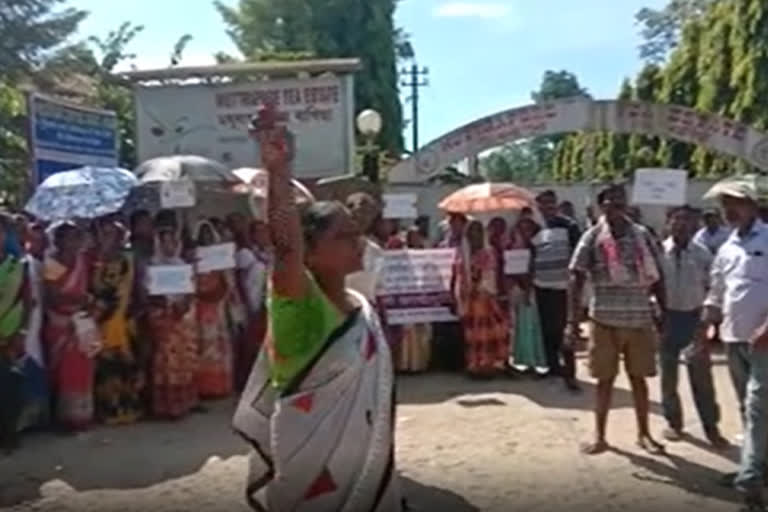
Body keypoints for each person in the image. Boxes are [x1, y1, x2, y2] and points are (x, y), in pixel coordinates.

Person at [233, 105, 400, 511]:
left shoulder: (359, 307)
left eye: (356, 233)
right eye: (343, 235)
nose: (356, 241)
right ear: (311, 253)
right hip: (309, 475)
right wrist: (277, 170)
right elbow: (286, 244)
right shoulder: (298, 305)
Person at [567, 184, 666, 455]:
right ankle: (600, 436)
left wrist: (663, 313)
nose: (616, 207)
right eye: (610, 202)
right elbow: (576, 276)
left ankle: (644, 434)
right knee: (604, 381)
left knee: (639, 379)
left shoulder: (642, 235)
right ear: (602, 206)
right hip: (603, 321)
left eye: (620, 202)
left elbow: (658, 275)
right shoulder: (592, 236)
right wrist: (571, 321)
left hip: (639, 319)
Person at [698, 179, 768, 511]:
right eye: (724, 204)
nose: (728, 210)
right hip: (732, 337)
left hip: (765, 341)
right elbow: (716, 292)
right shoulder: (726, 248)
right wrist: (704, 329)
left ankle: (750, 483)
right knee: (747, 408)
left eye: (735, 202)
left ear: (753, 205)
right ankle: (756, 466)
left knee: (757, 407)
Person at [657, 206, 727, 447]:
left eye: (688, 221)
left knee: (702, 378)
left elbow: (714, 286)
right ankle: (673, 423)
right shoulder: (658, 252)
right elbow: (651, 284)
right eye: (677, 219)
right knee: (668, 376)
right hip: (667, 318)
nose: (682, 225)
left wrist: (708, 321)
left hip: (694, 319)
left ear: (695, 225)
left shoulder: (703, 254)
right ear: (669, 223)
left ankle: (711, 427)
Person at [43, 222, 96, 431]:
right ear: (58, 241)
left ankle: (82, 416)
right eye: (69, 237)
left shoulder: (83, 260)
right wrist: (78, 298)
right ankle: (64, 419)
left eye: (76, 237)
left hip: (82, 322)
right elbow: (52, 296)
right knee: (62, 371)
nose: (73, 242)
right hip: (60, 323)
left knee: (83, 368)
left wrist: (88, 300)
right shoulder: (53, 263)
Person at [90, 218, 143, 424]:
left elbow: (134, 286)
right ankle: (109, 410)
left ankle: (129, 407)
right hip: (102, 320)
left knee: (127, 364)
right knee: (106, 367)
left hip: (124, 319)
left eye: (113, 234)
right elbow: (92, 289)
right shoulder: (92, 260)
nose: (109, 238)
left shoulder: (126, 260)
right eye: (105, 234)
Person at [145, 227, 199, 420]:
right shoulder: (152, 265)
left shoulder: (182, 264)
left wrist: (183, 304)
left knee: (185, 361)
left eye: (173, 241)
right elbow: (148, 294)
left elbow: (190, 290)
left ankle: (185, 403)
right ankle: (166, 406)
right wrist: (165, 305)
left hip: (182, 317)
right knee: (166, 361)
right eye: (166, 241)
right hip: (162, 318)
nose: (170, 246)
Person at [532, 190, 581, 391]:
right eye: (543, 204)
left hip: (563, 287)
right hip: (541, 286)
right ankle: (553, 367)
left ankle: (570, 374)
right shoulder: (533, 227)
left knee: (564, 330)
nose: (547, 207)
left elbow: (578, 253)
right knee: (546, 330)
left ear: (556, 204)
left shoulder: (569, 225)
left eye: (551, 203)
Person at [452, 220, 509, 378]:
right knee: (472, 335)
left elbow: (490, 274)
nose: (475, 235)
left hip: (485, 297)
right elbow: (458, 275)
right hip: (468, 299)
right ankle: (474, 366)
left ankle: (488, 366)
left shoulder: (488, 252)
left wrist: (480, 284)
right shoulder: (462, 253)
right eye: (471, 232)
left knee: (489, 332)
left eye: (478, 231)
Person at [228, 213, 270, 391]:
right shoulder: (245, 254)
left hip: (266, 302)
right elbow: (237, 279)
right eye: (258, 232)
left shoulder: (269, 253)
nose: (263, 235)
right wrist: (245, 304)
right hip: (249, 304)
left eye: (265, 232)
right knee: (248, 344)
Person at [193, 220, 234, 400]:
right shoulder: (193, 256)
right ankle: (203, 387)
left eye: (209, 234)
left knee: (218, 348)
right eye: (202, 235)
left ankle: (219, 387)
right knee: (202, 347)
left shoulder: (221, 256)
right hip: (199, 306)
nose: (206, 238)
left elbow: (229, 282)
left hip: (217, 306)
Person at [0, 215, 29, 451]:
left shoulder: (17, 266)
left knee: (10, 388)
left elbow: (28, 301)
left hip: (11, 337)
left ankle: (10, 435)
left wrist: (21, 332)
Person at [17, 222, 49, 432]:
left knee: (34, 359)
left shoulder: (36, 264)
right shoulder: (15, 264)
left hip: (34, 320)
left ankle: (36, 416)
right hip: (13, 321)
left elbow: (42, 296)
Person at [509, 216, 548, 374]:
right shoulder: (516, 247)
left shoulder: (538, 247)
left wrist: (528, 288)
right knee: (521, 327)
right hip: (519, 288)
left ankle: (536, 361)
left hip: (534, 290)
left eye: (528, 229)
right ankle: (524, 361)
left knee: (533, 327)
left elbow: (533, 269)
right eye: (522, 229)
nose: (525, 232)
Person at [396, 227, 432, 373]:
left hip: (421, 292)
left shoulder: (426, 253)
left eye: (417, 236)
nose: (414, 239)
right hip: (407, 294)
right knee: (408, 332)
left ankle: (420, 364)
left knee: (422, 331)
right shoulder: (402, 255)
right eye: (412, 237)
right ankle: (406, 364)